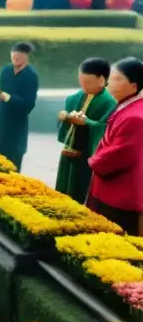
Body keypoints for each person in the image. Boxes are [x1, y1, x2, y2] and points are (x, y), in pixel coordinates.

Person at [86, 58, 143, 235]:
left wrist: (94, 160)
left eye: (118, 79)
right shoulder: (126, 106)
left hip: (119, 192)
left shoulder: (136, 117)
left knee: (113, 237)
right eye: (112, 77)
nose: (111, 83)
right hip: (109, 187)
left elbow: (122, 153)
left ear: (134, 86)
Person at [56, 58, 117, 204]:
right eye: (80, 80)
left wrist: (86, 122)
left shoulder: (109, 102)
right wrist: (65, 117)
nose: (83, 86)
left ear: (101, 80)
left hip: (87, 152)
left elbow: (104, 127)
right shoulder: (75, 97)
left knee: (80, 185)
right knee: (64, 182)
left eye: (88, 82)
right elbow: (67, 115)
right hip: (69, 148)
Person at [0, 42, 40, 171]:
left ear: (26, 57)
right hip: (2, 120)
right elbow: (2, 90)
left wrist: (9, 98)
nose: (15, 60)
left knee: (14, 157)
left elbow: (29, 104)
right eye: (13, 57)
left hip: (18, 123)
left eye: (18, 57)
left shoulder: (31, 76)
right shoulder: (6, 71)